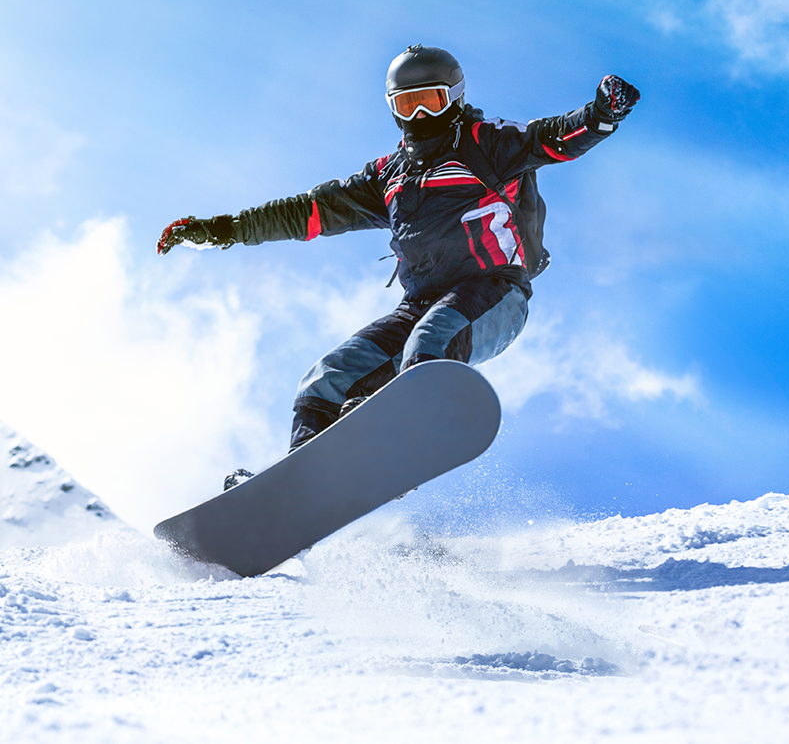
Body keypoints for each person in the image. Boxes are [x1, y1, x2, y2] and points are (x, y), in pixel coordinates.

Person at [158, 44, 639, 460]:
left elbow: (551, 137)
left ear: (455, 98)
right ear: (393, 107)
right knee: (326, 379)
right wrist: (221, 229)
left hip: (493, 293)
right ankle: (306, 471)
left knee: (427, 345)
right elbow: (305, 212)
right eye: (408, 104)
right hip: (420, 303)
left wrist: (601, 115)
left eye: (431, 101)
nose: (420, 117)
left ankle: (402, 442)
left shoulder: (487, 144)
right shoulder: (388, 176)